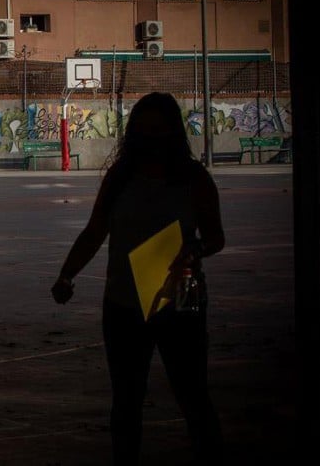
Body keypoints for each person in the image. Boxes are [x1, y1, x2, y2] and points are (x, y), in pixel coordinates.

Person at [50, 92, 224, 465]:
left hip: (178, 301)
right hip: (124, 303)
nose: (151, 138)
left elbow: (216, 236)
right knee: (126, 399)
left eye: (158, 130)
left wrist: (195, 250)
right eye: (144, 131)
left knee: (192, 393)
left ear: (172, 133)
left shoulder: (194, 179)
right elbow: (95, 231)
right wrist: (67, 274)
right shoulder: (120, 179)